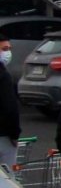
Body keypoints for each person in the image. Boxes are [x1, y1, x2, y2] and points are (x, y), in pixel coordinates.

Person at [0, 33, 19, 169]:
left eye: (9, 49)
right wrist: (14, 134)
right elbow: (10, 107)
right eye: (4, 49)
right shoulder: (3, 76)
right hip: (2, 135)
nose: (8, 53)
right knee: (7, 178)